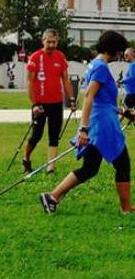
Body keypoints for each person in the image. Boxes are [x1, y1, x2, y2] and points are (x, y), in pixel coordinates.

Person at [40, 30, 132, 214]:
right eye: (120, 50)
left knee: (90, 168)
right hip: (102, 126)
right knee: (123, 163)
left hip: (101, 120)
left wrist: (124, 112)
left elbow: (102, 99)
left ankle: (52, 197)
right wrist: (83, 129)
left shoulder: (94, 65)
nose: (121, 54)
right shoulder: (101, 68)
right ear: (113, 50)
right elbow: (89, 96)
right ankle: (126, 209)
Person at [22, 29, 75, 174]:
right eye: (48, 41)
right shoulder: (35, 57)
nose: (51, 44)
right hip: (40, 104)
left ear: (57, 41)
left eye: (54, 42)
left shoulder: (60, 56)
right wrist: (34, 104)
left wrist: (71, 99)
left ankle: (50, 167)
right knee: (36, 136)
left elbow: (65, 79)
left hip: (56, 103)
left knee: (54, 135)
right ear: (43, 40)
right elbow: (30, 82)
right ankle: (26, 158)